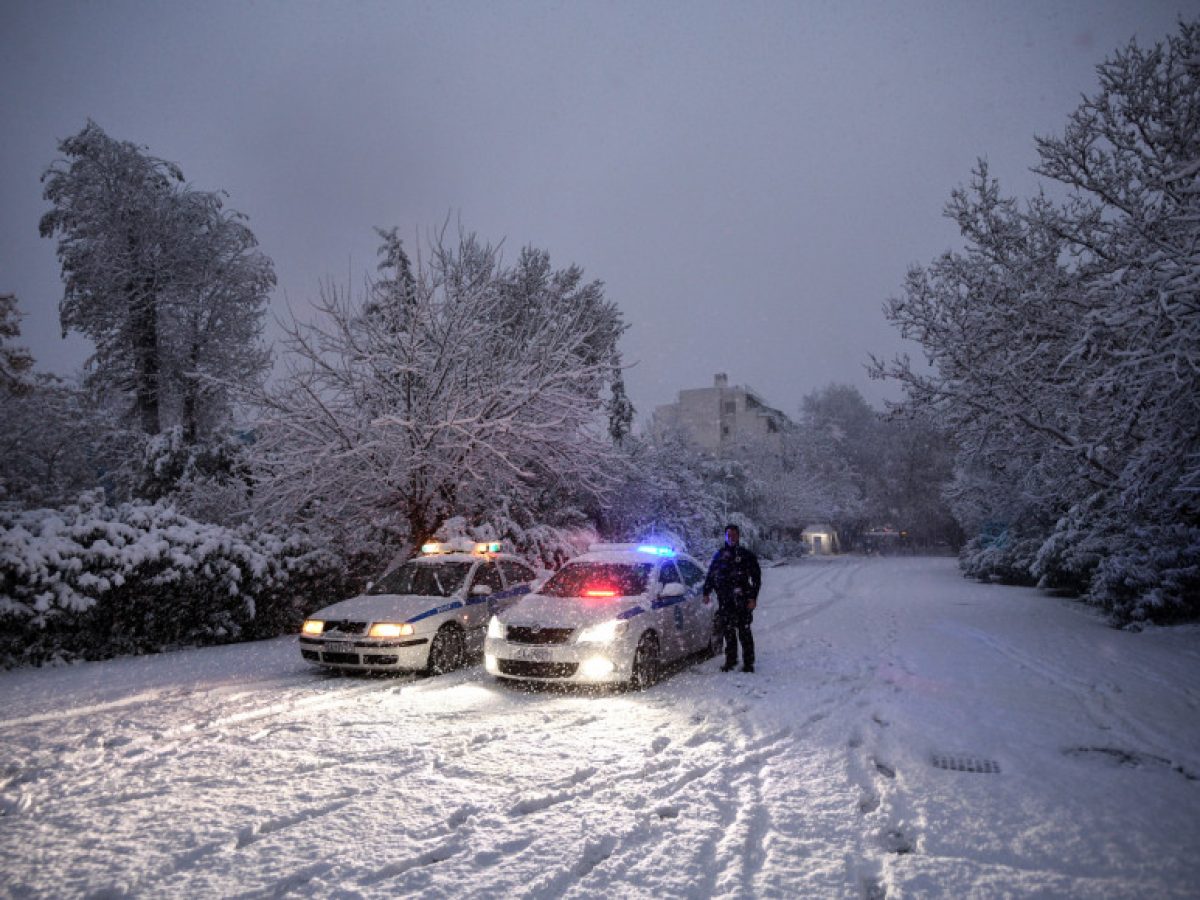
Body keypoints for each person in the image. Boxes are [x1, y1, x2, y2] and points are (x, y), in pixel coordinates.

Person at [702, 524, 761, 673]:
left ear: (738, 536)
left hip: (742, 600)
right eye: (729, 535)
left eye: (734, 535)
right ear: (725, 537)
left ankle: (748, 663)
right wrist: (706, 592)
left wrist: (753, 597)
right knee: (728, 632)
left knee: (744, 632)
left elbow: (756, 578)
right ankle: (731, 660)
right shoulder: (719, 555)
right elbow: (711, 574)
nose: (731, 538)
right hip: (725, 601)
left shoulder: (746, 555)